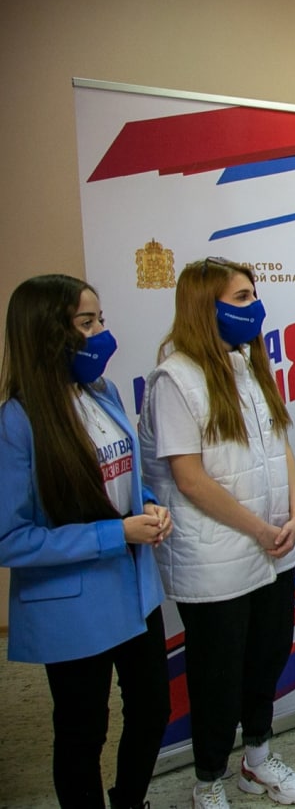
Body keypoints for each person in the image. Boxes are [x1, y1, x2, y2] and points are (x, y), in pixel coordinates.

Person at [140, 258, 295, 807]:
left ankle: (257, 761)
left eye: (253, 295)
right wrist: (260, 529)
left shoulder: (249, 364)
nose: (254, 307)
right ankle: (208, 779)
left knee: (267, 657)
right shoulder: (175, 379)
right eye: (241, 298)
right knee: (217, 675)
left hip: (272, 548)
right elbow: (189, 478)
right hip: (217, 558)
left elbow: (280, 445)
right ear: (203, 306)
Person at [0, 274, 171, 809]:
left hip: (134, 589)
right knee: (83, 730)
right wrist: (115, 534)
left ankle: (129, 800)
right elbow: (11, 539)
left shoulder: (104, 392)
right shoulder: (17, 422)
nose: (102, 333)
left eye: (101, 319)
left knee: (153, 708)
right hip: (73, 605)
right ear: (49, 332)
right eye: (87, 322)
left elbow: (122, 478)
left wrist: (146, 503)